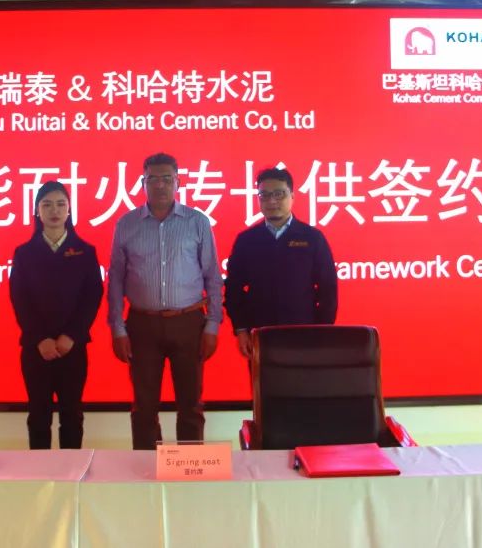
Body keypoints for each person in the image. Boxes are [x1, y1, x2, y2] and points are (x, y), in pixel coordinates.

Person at [107, 153, 223, 450]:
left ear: (178, 182)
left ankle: (190, 469)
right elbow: (116, 279)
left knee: (191, 404)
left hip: (189, 322)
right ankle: (146, 468)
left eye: (167, 178)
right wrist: (118, 328)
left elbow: (212, 276)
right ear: (143, 183)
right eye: (153, 179)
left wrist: (212, 325)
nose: (160, 185)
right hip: (142, 324)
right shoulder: (126, 224)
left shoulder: (197, 222)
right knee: (144, 406)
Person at [8, 180, 103, 449]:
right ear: (37, 210)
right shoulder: (24, 253)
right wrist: (40, 338)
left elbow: (92, 297)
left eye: (61, 204)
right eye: (47, 204)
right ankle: (40, 470)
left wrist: (71, 335)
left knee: (71, 414)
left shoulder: (85, 251)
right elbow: (20, 299)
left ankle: (72, 471)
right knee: (39, 414)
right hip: (36, 348)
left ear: (69, 210)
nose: (54, 210)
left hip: (72, 347)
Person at [224, 167, 338, 358]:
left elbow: (328, 288)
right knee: (264, 378)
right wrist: (241, 329)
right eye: (264, 195)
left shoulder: (312, 237)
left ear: (292, 196)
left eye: (279, 194)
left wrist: (322, 330)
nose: (271, 201)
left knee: (303, 378)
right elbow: (233, 288)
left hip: (303, 332)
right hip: (260, 333)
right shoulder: (247, 240)